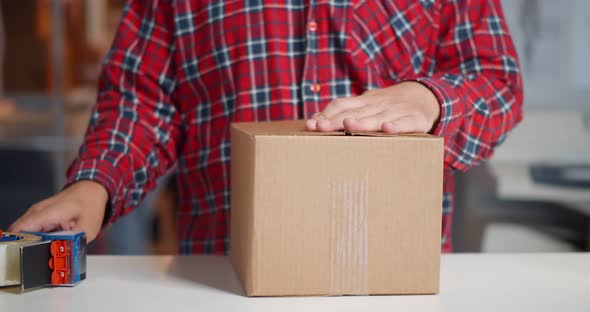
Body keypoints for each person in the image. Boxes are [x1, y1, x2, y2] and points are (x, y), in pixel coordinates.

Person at [9, 0, 523, 253]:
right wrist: (95, 182)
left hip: (393, 275)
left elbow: (498, 82)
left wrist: (431, 98)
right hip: (221, 277)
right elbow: (144, 98)